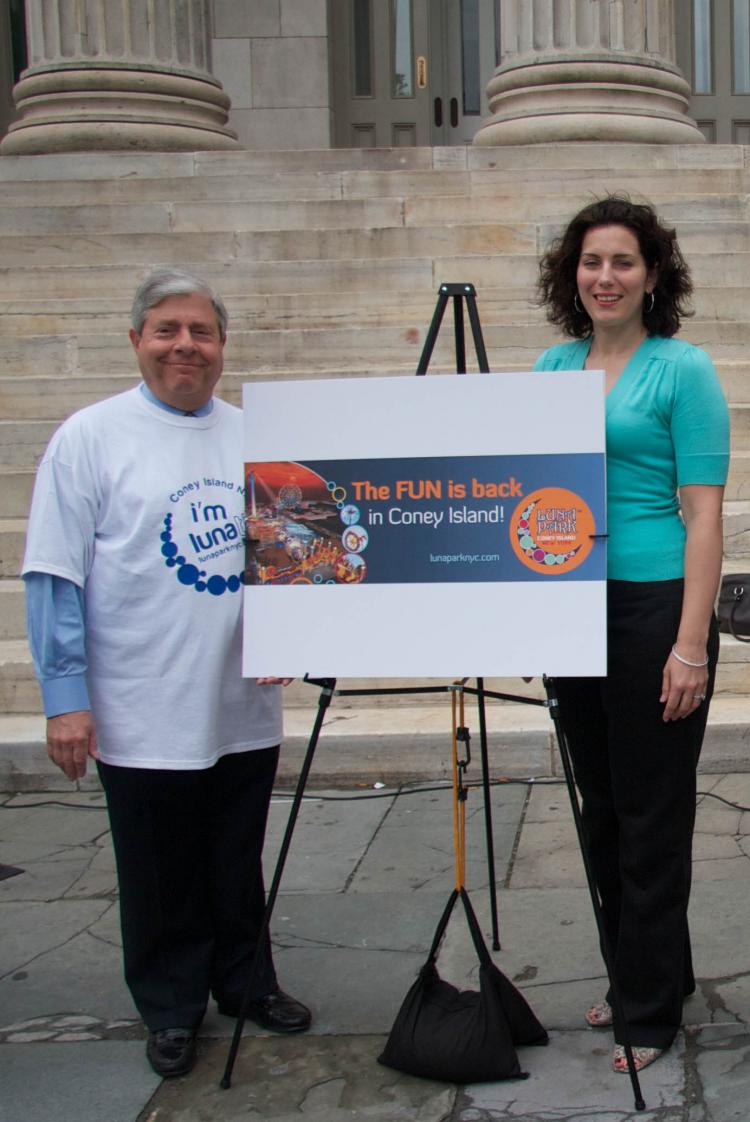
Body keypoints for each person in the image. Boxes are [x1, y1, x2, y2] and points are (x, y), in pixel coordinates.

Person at [22, 268, 311, 1078]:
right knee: (156, 864)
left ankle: (246, 980)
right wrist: (65, 698)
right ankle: (171, 1003)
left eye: (201, 332)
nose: (185, 345)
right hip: (138, 699)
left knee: (234, 853)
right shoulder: (90, 437)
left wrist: (291, 633)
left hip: (239, 702)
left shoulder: (252, 435)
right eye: (167, 330)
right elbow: (54, 575)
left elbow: (290, 555)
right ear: (137, 341)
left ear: (222, 346)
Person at [535, 196, 729, 1073]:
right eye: (590, 262)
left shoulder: (681, 371)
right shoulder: (549, 369)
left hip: (655, 606)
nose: (604, 277)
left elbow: (704, 517)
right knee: (603, 806)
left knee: (653, 814)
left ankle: (646, 1015)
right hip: (570, 603)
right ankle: (647, 973)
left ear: (652, 275)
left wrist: (690, 645)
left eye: (621, 262)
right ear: (571, 276)